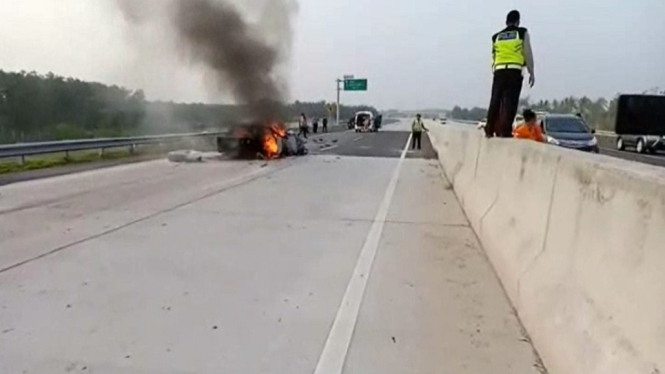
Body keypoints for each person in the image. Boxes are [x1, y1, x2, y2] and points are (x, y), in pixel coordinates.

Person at [485, 10, 536, 138]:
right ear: (518, 21)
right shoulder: (521, 33)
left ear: (506, 22)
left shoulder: (496, 37)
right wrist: (531, 71)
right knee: (510, 102)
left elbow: (494, 55)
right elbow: (527, 53)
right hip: (514, 70)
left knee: (495, 100)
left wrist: (495, 69)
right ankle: (505, 131)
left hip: (499, 70)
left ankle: (489, 128)